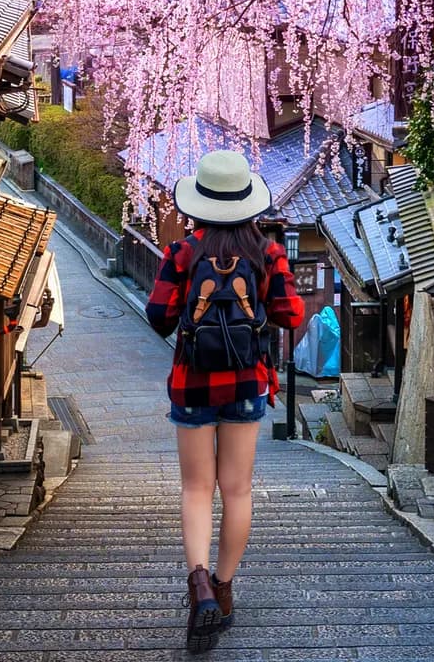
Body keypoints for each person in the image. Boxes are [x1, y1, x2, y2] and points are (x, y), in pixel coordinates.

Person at [145, 149, 306, 650]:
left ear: (199, 204)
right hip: (244, 383)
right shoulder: (267, 253)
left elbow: (158, 317)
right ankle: (224, 588)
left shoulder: (182, 254)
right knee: (236, 491)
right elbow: (293, 314)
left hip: (193, 383)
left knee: (197, 490)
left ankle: (198, 590)